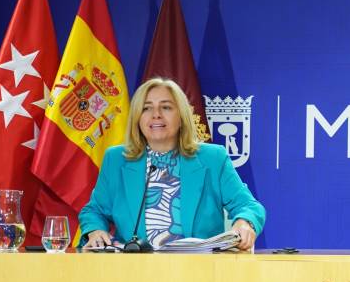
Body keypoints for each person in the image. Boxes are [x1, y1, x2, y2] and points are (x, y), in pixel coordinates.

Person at [80, 78, 265, 251]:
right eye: (146, 108)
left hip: (199, 267)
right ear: (137, 117)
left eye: (166, 107)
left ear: (181, 116)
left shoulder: (213, 158)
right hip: (133, 268)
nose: (156, 115)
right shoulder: (116, 159)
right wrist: (95, 230)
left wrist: (244, 222)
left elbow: (249, 206)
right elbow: (94, 211)